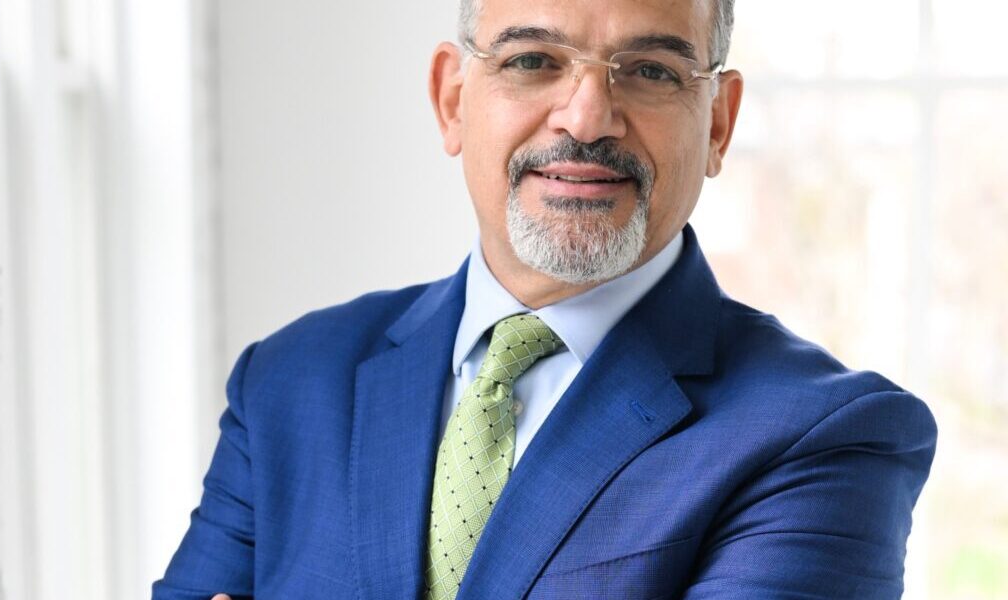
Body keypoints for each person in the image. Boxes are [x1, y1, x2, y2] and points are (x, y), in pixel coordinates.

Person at [153, 0, 937, 598]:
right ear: (452, 100)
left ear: (719, 125)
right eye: (532, 61)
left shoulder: (830, 439)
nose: (587, 118)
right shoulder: (289, 381)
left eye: (651, 71)